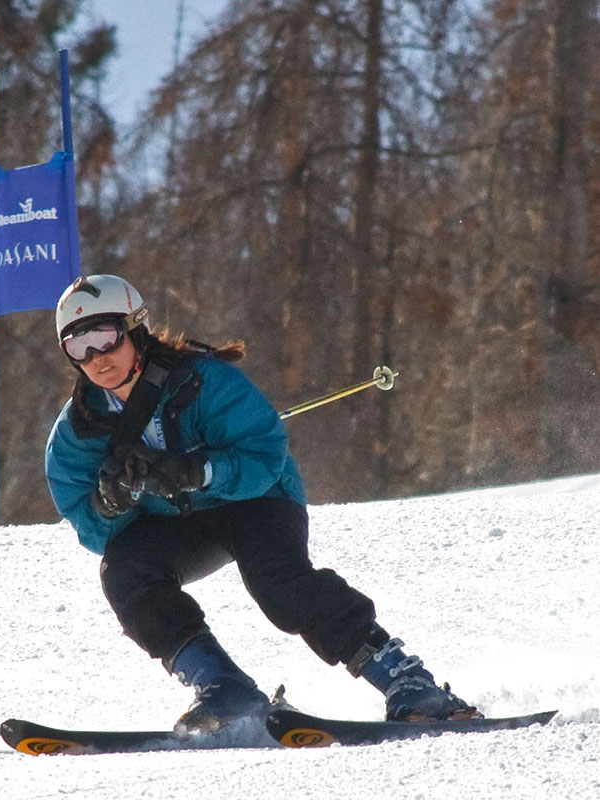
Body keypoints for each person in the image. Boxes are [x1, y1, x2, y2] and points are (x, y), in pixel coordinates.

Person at [45, 273, 480, 734]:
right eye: (78, 345)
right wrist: (111, 506)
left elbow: (265, 454)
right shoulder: (79, 430)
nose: (96, 357)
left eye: (105, 337)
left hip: (257, 499)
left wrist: (196, 472)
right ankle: (223, 687)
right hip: (179, 524)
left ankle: (408, 680)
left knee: (281, 588)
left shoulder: (203, 382)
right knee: (125, 572)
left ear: (135, 330)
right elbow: (87, 522)